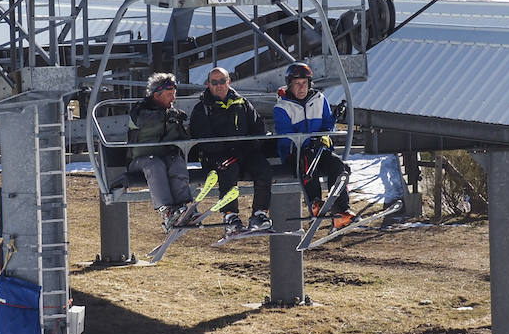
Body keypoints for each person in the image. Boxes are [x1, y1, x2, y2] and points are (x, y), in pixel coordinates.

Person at [188, 66, 274, 236]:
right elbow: (203, 138)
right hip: (215, 156)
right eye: (214, 82)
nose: (219, 85)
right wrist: (227, 151)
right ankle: (230, 216)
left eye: (222, 81)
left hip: (244, 152)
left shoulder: (241, 103)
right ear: (208, 84)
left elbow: (257, 128)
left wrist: (248, 147)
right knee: (229, 168)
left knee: (263, 169)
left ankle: (259, 214)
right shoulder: (202, 108)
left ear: (229, 82)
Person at [273, 61, 355, 229]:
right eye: (297, 84)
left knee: (339, 166)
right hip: (294, 153)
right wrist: (310, 141)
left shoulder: (318, 100)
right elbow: (286, 136)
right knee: (307, 161)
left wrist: (333, 119)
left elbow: (326, 125)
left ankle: (342, 209)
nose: (301, 88)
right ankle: (315, 202)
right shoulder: (282, 107)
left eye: (304, 83)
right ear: (290, 85)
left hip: (319, 151)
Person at [127, 72, 194, 231]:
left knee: (176, 161)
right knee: (154, 164)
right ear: (157, 94)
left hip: (164, 158)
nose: (173, 99)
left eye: (174, 94)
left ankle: (183, 207)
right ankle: (167, 211)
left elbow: (181, 138)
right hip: (140, 161)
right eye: (169, 95)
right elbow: (143, 120)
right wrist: (167, 116)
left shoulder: (171, 113)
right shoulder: (139, 110)